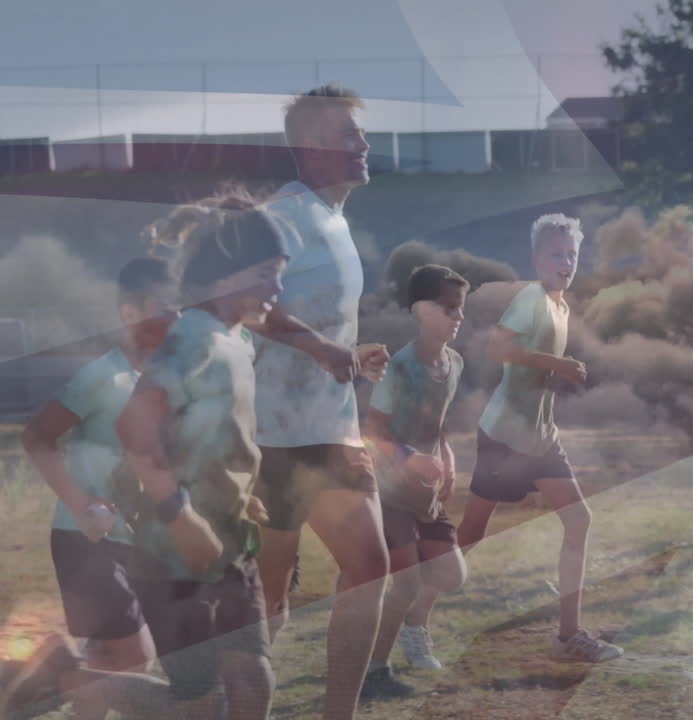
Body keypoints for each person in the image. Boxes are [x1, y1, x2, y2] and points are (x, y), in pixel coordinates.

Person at [1, 193, 290, 720]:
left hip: (191, 534)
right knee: (164, 681)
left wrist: (235, 497)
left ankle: (65, 676)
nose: (278, 288)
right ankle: (61, 676)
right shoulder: (130, 366)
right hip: (123, 540)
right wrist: (102, 506)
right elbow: (56, 437)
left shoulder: (226, 344)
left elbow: (209, 443)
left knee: (241, 676)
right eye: (268, 273)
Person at [248, 83, 391, 720]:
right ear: (312, 145)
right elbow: (247, 301)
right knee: (268, 598)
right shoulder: (285, 214)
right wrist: (318, 347)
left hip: (333, 434)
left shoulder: (334, 218)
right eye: (348, 135)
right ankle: (238, 705)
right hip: (275, 441)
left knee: (370, 567)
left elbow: (314, 321)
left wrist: (350, 355)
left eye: (361, 133)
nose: (363, 144)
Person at [454, 214, 623, 663]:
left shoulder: (561, 307)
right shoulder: (531, 298)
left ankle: (569, 637)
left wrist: (557, 375)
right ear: (536, 259)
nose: (565, 262)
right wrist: (557, 364)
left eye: (571, 254)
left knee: (579, 520)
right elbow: (499, 349)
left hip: (542, 438)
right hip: (504, 437)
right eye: (555, 254)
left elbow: (532, 368)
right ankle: (410, 610)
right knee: (471, 532)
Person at [20, 257, 175, 719]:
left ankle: (51, 677)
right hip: (84, 539)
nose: (177, 318)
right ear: (130, 314)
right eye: (165, 307)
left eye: (181, 308)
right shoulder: (102, 376)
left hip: (137, 541)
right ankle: (43, 675)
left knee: (113, 659)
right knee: (133, 656)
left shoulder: (168, 379)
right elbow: (37, 437)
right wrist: (80, 503)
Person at [358, 264, 469, 699]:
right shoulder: (398, 368)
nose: (458, 316)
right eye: (449, 307)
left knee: (451, 575)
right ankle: (374, 671)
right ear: (422, 310)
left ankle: (409, 628)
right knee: (405, 584)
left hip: (428, 493)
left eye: (460, 307)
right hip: (390, 492)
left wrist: (448, 458)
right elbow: (372, 432)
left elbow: (436, 424)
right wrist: (410, 458)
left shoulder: (455, 363)